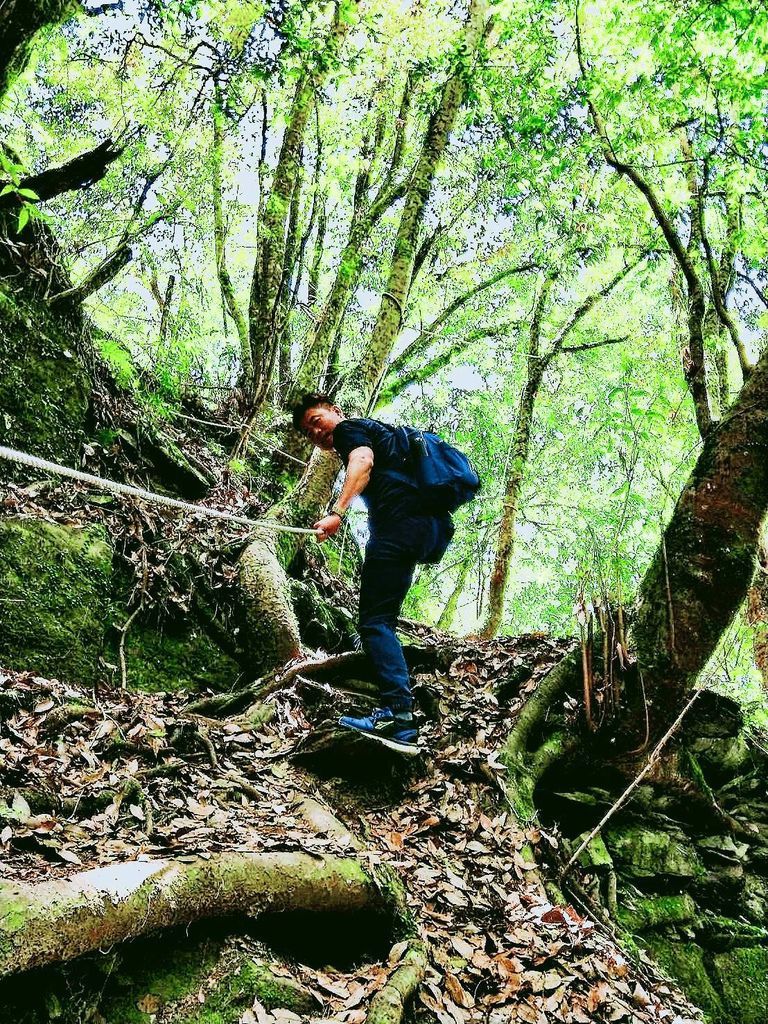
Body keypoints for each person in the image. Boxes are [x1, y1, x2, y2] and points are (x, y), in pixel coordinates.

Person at [292, 393, 455, 754]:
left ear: (335, 412)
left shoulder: (352, 429)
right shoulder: (386, 434)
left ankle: (399, 715)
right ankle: (400, 714)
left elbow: (362, 461)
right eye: (308, 432)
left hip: (397, 529)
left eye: (316, 421)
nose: (315, 433)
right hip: (421, 530)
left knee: (375, 623)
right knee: (383, 621)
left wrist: (338, 511)